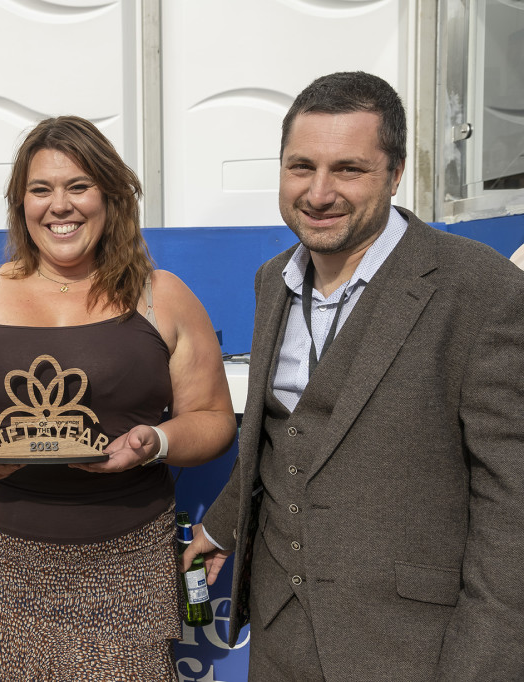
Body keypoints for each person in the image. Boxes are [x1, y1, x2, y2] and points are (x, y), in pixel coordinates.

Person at [182, 71, 524, 681]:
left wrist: (483, 666)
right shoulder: (273, 281)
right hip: (280, 634)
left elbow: (512, 504)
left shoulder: (480, 287)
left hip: (409, 646)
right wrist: (221, 523)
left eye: (348, 169)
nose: (318, 192)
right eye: (300, 166)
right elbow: (285, 436)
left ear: (394, 175)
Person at [0, 115, 236, 680]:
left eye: (78, 186)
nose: (60, 205)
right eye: (41, 190)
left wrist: (154, 442)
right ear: (20, 203)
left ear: (109, 196)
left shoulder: (163, 295)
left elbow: (212, 420)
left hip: (124, 564)